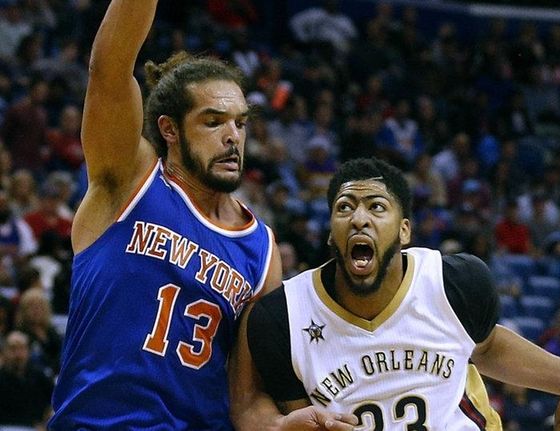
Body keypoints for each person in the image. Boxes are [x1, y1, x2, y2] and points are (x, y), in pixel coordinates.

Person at [49, 1, 356, 430]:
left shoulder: (262, 249)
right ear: (170, 130)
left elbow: (246, 398)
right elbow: (109, 68)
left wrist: (281, 426)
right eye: (213, 122)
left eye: (240, 123)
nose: (233, 137)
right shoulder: (129, 180)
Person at [233, 158, 560, 429]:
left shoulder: (453, 282)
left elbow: (486, 345)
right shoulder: (282, 319)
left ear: (404, 230)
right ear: (331, 231)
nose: (359, 218)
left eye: (377, 207)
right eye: (345, 208)